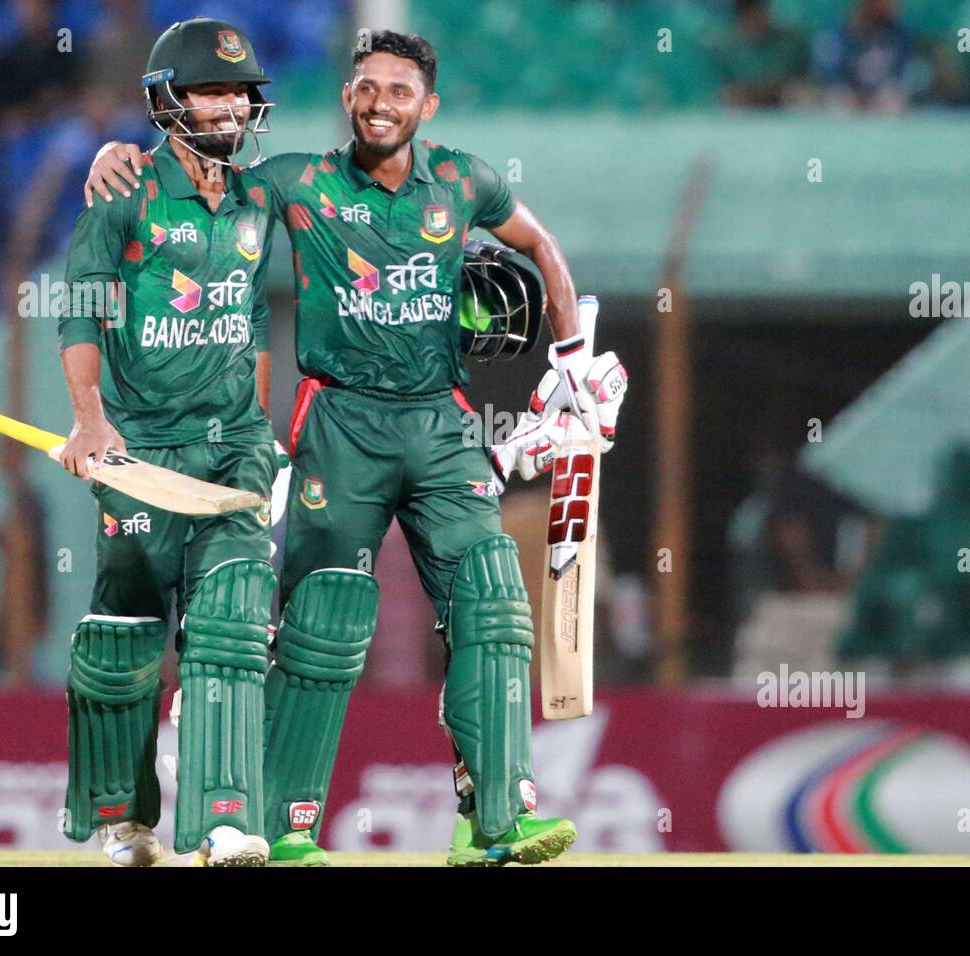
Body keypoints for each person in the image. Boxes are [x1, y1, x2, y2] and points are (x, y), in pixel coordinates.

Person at [86, 30, 628, 867]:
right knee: (323, 623)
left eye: (399, 92)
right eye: (366, 88)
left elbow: (540, 247)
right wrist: (121, 151)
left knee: (492, 596)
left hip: (441, 426)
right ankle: (286, 824)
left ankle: (496, 819)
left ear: (428, 106)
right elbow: (199, 171)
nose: (381, 103)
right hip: (339, 425)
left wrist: (571, 364)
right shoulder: (296, 182)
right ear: (348, 96)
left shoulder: (462, 179)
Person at [57, 18, 279, 867]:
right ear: (166, 101)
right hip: (141, 450)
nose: (228, 107)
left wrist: (264, 441)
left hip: (235, 450)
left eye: (237, 92)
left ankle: (224, 821)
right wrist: (89, 421)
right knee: (126, 638)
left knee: (229, 622)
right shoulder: (124, 194)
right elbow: (80, 309)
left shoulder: (259, 198)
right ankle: (127, 819)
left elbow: (255, 322)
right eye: (209, 91)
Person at [720, 0, 812, 109]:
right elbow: (722, 91)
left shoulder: (792, 43)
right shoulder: (726, 49)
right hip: (744, 110)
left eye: (760, 13)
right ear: (740, 18)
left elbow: (808, 81)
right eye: (751, 17)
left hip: (787, 103)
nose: (757, 21)